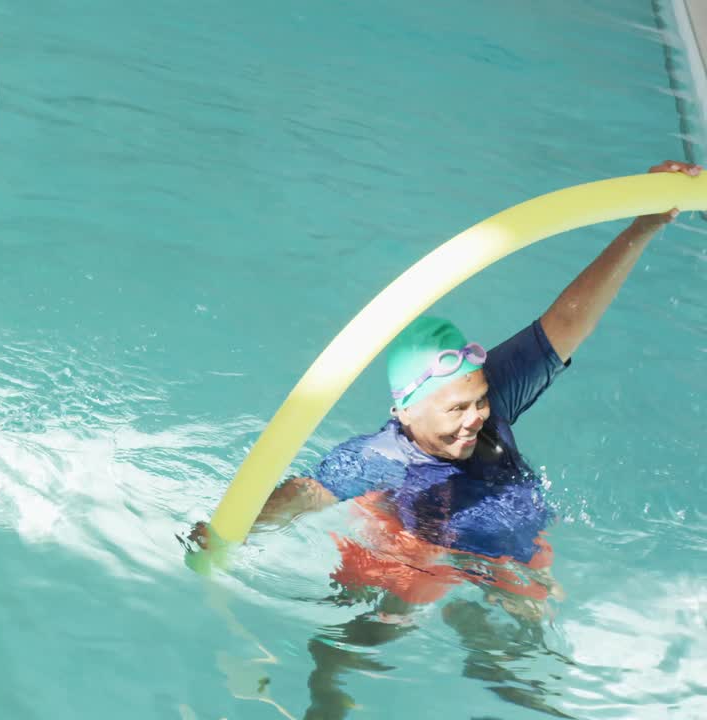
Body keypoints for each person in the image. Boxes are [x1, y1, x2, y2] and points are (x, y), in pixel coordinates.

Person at [190, 160, 700, 719]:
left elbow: (571, 318)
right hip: (417, 547)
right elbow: (307, 494)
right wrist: (231, 528)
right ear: (404, 413)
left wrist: (642, 226)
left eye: (479, 399)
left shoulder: (496, 397)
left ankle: (489, 660)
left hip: (505, 548)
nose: (475, 418)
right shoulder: (380, 456)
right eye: (456, 408)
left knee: (524, 643)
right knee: (368, 634)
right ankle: (329, 685)